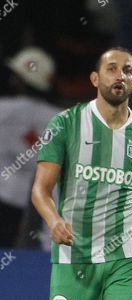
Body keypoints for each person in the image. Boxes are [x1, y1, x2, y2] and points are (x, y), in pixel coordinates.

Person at [31, 47, 132, 300]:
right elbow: (40, 189)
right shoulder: (65, 124)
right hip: (74, 258)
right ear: (95, 78)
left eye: (127, 70)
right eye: (111, 68)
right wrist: (54, 221)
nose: (119, 76)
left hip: (127, 260)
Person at [0, 47, 60, 247]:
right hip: (42, 203)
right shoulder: (63, 118)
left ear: (17, 79)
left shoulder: (3, 109)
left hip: (5, 196)